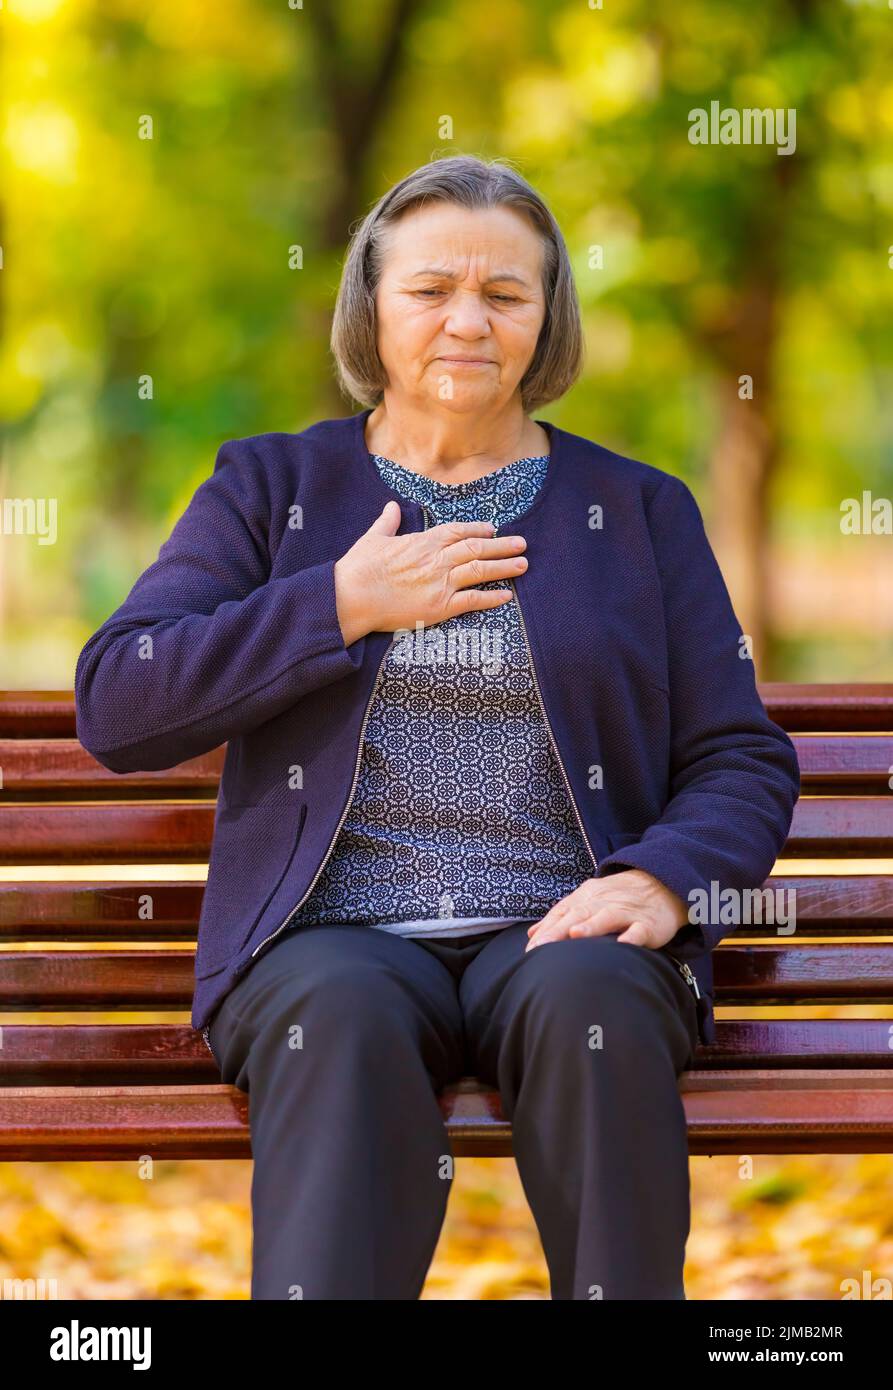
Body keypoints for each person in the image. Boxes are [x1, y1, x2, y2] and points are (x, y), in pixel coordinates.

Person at [75, 153, 801, 1300]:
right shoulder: (272, 490)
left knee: (593, 997)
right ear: (372, 304)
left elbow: (738, 752)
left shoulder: (640, 509)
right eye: (430, 289)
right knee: (342, 1015)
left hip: (556, 925)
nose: (467, 320)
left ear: (545, 319)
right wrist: (337, 605)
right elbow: (120, 697)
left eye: (505, 294)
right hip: (330, 937)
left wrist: (665, 881)